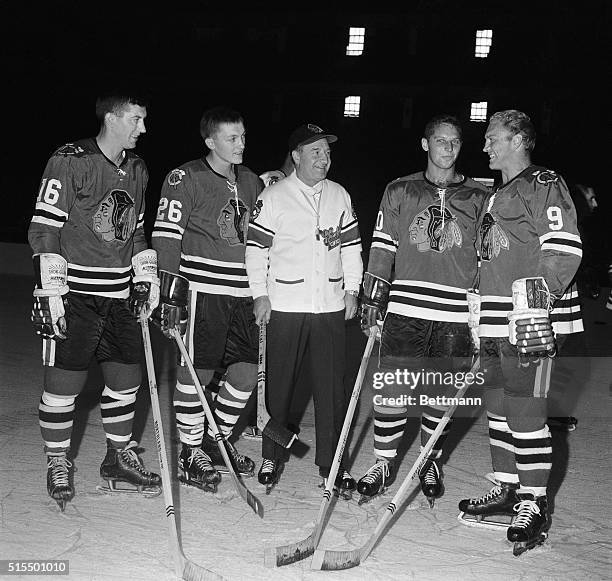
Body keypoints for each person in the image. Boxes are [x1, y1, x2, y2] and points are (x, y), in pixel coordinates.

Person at [28, 91, 161, 511]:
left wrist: (144, 275)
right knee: (64, 385)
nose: (143, 128)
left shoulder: (137, 167)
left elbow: (136, 230)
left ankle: (118, 457)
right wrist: (51, 290)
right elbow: (44, 227)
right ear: (112, 118)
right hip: (76, 296)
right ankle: (57, 461)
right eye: (137, 119)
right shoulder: (70, 160)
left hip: (119, 296)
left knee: (127, 382)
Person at [458, 110, 582, 555]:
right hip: (494, 318)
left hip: (528, 320)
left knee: (526, 413)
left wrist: (536, 305)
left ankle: (533, 500)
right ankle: (508, 487)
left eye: (493, 138)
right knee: (497, 406)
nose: (486, 145)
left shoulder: (543, 182)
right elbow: (492, 256)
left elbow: (563, 247)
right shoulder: (498, 193)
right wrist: (477, 305)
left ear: (518, 140)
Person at [358, 115, 488, 506]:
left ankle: (429, 458)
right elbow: (382, 248)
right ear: (425, 144)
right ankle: (383, 461)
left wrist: (480, 312)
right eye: (440, 141)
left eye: (454, 142)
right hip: (405, 308)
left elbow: (486, 259)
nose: (447, 148)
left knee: (442, 394)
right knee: (393, 389)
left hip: (454, 313)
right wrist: (372, 300)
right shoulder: (400, 189)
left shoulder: (480, 197)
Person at [245, 123, 363, 492]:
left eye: (327, 153)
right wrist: (259, 295)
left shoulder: (339, 195)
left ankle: (332, 464)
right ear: (296, 156)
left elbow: (351, 248)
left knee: (332, 390)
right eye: (315, 152)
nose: (324, 159)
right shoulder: (275, 196)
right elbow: (255, 250)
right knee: (279, 388)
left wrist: (352, 289)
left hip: (328, 306)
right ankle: (272, 455)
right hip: (284, 305)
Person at [152, 106, 262, 493]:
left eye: (243, 136)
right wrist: (170, 295)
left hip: (245, 293)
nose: (240, 144)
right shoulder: (187, 177)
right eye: (232, 138)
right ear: (210, 141)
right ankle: (190, 449)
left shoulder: (251, 181)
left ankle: (218, 438)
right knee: (198, 372)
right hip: (204, 290)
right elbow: (166, 236)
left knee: (247, 373)